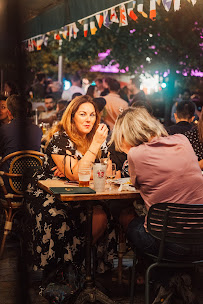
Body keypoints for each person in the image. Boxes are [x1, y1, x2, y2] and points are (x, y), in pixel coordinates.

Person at [24, 95, 116, 283]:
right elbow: (78, 174)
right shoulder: (61, 139)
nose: (88, 119)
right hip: (51, 193)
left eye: (92, 114)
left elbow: (108, 172)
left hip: (85, 193)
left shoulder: (97, 138)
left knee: (101, 215)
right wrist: (85, 165)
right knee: (57, 217)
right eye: (83, 114)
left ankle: (81, 265)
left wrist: (77, 170)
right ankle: (57, 271)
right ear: (72, 116)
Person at [109, 107, 203, 259]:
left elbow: (136, 184)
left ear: (127, 134)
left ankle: (150, 273)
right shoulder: (182, 140)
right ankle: (172, 275)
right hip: (200, 239)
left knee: (132, 223)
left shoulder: (135, 154)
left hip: (170, 245)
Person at [0, 95, 42, 191]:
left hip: (7, 185)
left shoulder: (4, 130)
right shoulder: (37, 130)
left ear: (9, 113)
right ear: (27, 110)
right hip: (32, 185)